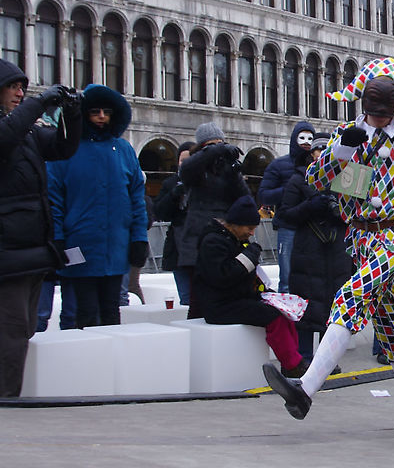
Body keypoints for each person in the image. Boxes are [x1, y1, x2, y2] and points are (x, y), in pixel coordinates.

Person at [262, 57, 394, 434]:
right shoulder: (347, 134)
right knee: (388, 325)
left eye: (384, 114)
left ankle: (305, 390)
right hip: (361, 237)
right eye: (372, 112)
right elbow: (319, 182)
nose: (377, 120)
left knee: (351, 296)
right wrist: (342, 154)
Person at [0, 58, 81, 396]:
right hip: (7, 252)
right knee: (12, 329)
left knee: (23, 328)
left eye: (24, 88)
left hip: (31, 249)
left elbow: (62, 147)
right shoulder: (13, 130)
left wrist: (73, 112)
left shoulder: (27, 133)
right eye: (14, 87)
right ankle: (6, 399)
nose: (21, 93)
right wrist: (39, 103)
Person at [48, 84, 147, 328]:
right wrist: (57, 237)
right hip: (79, 244)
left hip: (115, 246)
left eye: (106, 111)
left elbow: (136, 198)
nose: (101, 116)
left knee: (112, 312)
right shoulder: (65, 150)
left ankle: (110, 364)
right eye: (94, 111)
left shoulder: (123, 150)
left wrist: (139, 238)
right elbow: (54, 199)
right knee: (83, 313)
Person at [193, 195, 307, 377]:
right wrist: (249, 257)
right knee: (273, 318)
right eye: (249, 228)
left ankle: (294, 361)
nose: (252, 233)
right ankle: (292, 365)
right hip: (219, 306)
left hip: (234, 300)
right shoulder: (213, 243)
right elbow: (224, 276)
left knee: (283, 314)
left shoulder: (233, 240)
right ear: (235, 224)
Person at [281, 135, 353, 371]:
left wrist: (340, 209)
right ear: (311, 153)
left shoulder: (346, 175)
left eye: (326, 149)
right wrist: (309, 207)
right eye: (318, 149)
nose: (321, 153)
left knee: (333, 305)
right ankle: (303, 357)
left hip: (336, 250)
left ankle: (326, 359)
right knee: (305, 304)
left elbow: (355, 213)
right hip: (307, 249)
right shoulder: (298, 178)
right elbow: (285, 215)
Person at [177, 122, 251, 318]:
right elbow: (188, 169)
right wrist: (216, 150)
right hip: (196, 241)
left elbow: (245, 199)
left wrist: (234, 172)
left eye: (220, 143)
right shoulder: (194, 169)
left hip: (223, 240)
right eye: (211, 145)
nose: (217, 148)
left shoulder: (226, 170)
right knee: (197, 300)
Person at [257, 121, 316, 292]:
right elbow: (264, 195)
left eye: (310, 138)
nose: (306, 142)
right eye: (302, 138)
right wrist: (290, 191)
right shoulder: (278, 165)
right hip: (288, 227)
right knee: (287, 276)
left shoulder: (320, 166)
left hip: (313, 228)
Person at [153, 141, 196, 306]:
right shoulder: (170, 184)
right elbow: (160, 212)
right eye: (182, 160)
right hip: (179, 246)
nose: (185, 164)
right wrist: (173, 195)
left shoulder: (206, 183)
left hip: (201, 246)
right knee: (186, 298)